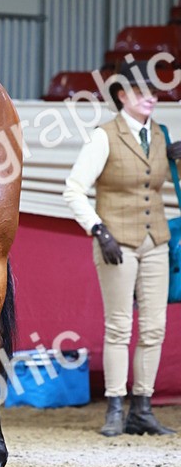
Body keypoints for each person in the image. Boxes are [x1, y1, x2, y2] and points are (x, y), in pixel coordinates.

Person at [63, 62, 181, 435]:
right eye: (141, 92)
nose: (150, 97)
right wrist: (99, 230)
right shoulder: (104, 136)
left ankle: (141, 407)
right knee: (119, 326)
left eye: (153, 92)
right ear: (122, 96)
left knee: (155, 328)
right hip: (116, 241)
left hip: (156, 240)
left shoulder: (162, 135)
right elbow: (74, 189)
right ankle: (115, 406)